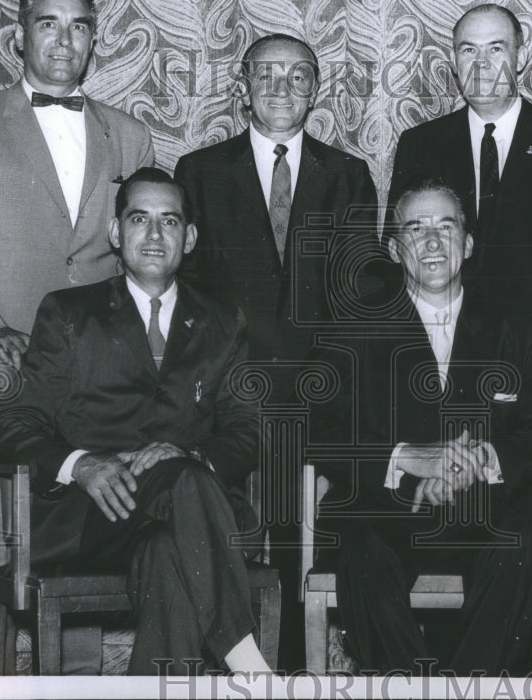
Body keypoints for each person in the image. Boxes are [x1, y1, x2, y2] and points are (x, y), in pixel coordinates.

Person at [0, 0, 154, 675]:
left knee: (79, 527)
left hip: (96, 375)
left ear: (94, 40)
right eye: (48, 24)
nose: (64, 40)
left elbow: (143, 252)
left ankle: (77, 682)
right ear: (17, 35)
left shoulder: (129, 132)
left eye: (79, 25)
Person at [0, 168, 270, 676]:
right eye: (140, 218)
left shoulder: (223, 323)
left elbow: (248, 431)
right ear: (117, 233)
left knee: (169, 546)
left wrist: (192, 456)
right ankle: (248, 662)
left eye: (170, 221)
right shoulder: (69, 312)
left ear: (190, 238)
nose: (156, 234)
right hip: (92, 518)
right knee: (183, 482)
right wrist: (80, 465)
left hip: (184, 520)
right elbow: (10, 425)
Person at [310, 179, 532, 674]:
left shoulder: (515, 326)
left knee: (515, 546)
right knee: (362, 552)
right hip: (385, 508)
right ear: (394, 249)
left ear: (469, 243)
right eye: (415, 228)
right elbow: (317, 428)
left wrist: (483, 460)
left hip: (485, 508)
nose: (432, 242)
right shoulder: (355, 325)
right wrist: (408, 456)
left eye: (446, 226)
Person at [173, 33, 379, 670]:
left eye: (297, 76)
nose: (282, 88)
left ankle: (285, 671)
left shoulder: (348, 175)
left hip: (315, 399)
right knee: (216, 526)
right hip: (230, 393)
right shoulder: (200, 172)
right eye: (266, 74)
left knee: (301, 538)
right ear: (243, 86)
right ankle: (223, 664)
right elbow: (192, 298)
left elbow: (357, 297)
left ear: (315, 89)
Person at [388, 4, 532, 415]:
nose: (482, 64)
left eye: (496, 48)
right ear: (454, 61)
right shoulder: (420, 143)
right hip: (443, 359)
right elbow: (400, 253)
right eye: (468, 50)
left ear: (520, 56)